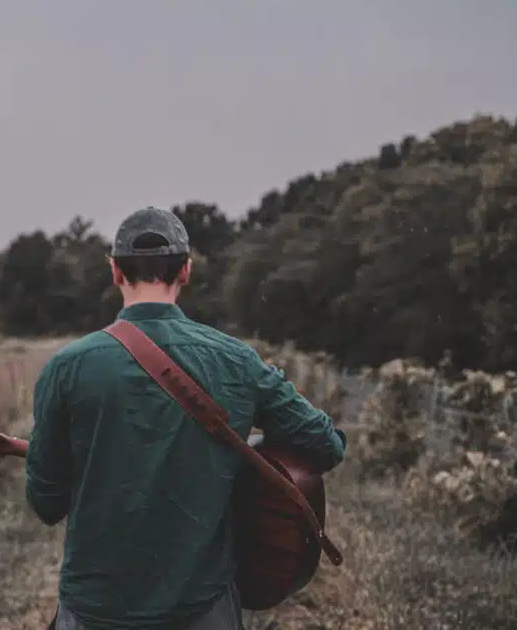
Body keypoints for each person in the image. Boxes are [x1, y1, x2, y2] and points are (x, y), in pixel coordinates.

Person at [26, 206, 347, 630]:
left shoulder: (66, 368)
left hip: (95, 608)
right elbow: (325, 445)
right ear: (186, 271)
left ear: (116, 272)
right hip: (202, 608)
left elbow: (46, 503)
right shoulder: (237, 361)